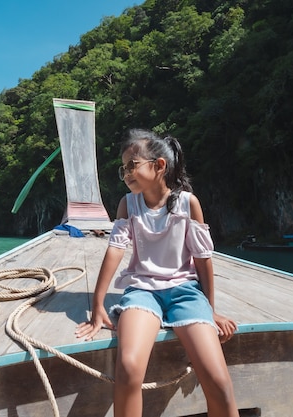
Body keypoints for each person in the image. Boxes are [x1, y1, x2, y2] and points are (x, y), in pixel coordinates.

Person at [75, 129, 238, 417]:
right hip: (143, 292)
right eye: (123, 168)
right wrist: (98, 305)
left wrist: (211, 310)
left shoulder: (188, 203)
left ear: (159, 165)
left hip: (185, 292)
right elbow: (115, 249)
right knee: (128, 367)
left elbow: (202, 260)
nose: (126, 173)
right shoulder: (129, 203)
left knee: (219, 381)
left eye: (132, 165)